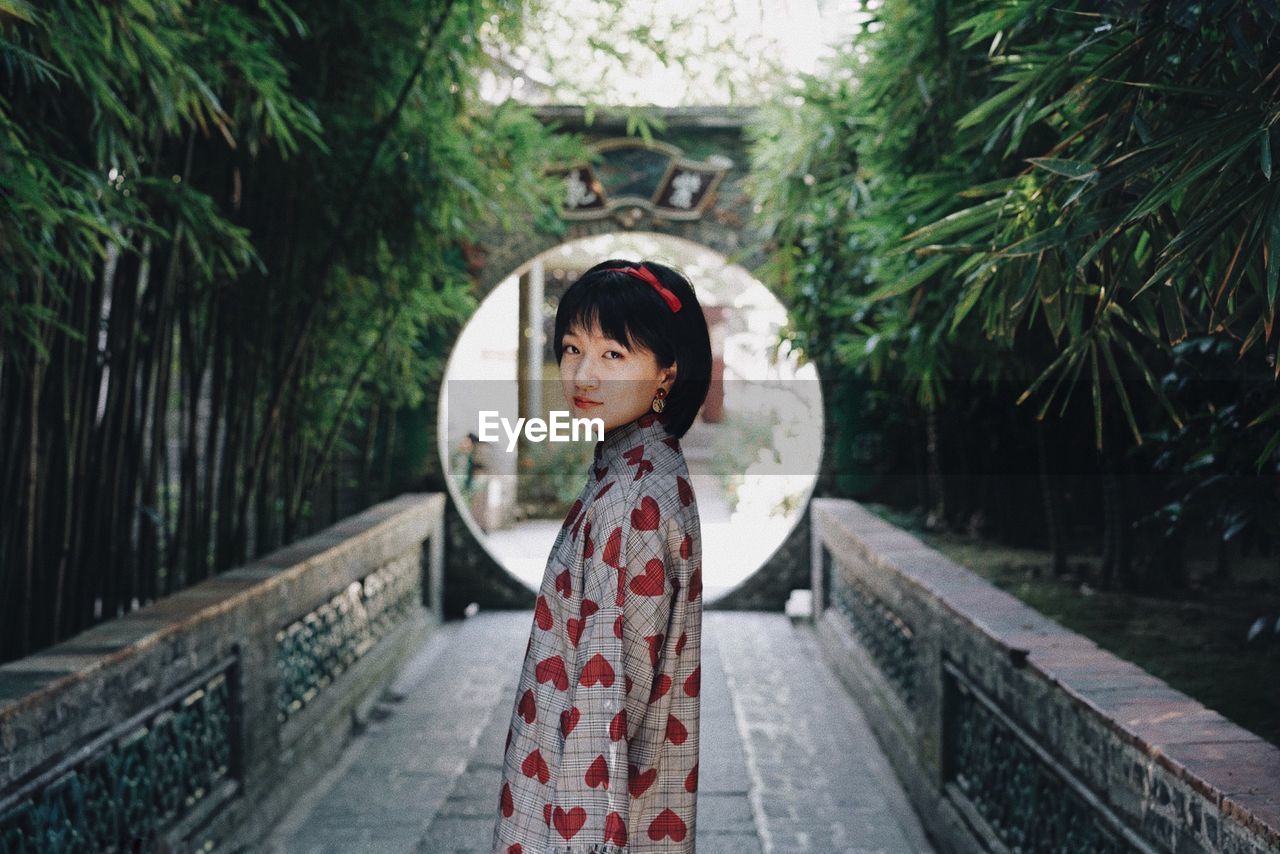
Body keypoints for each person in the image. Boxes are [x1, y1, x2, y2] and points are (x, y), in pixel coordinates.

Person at [491, 260, 712, 853]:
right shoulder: (641, 469)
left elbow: (603, 710)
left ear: (668, 372)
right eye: (571, 348)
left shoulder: (631, 501)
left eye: (613, 354)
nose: (583, 374)